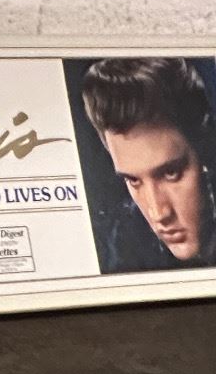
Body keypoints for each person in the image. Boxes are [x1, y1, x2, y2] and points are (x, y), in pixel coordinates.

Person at [80, 57, 216, 271]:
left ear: (205, 151)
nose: (158, 213)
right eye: (133, 180)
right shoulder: (122, 248)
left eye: (171, 173)